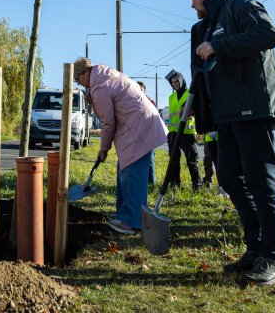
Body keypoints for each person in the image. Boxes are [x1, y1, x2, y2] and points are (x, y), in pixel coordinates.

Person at [188, 0, 275, 286]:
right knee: (230, 177)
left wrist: (219, 45)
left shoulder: (242, 7)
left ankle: (274, 258)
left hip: (255, 110)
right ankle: (256, 248)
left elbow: (268, 35)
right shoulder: (205, 26)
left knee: (262, 183)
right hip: (227, 115)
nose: (192, 5)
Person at [74, 57, 167, 235]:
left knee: (132, 174)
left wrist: (104, 149)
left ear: (85, 73)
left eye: (78, 79)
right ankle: (124, 213)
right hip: (140, 124)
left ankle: (132, 222)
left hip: (138, 127)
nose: (78, 83)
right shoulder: (104, 77)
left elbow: (108, 123)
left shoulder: (100, 87)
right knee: (124, 170)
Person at [165, 71, 202, 190]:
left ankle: (197, 187)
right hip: (174, 133)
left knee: (192, 161)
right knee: (174, 161)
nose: (175, 84)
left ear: (181, 81)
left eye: (176, 81)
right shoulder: (171, 97)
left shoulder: (190, 94)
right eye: (172, 82)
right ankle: (175, 185)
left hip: (187, 133)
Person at [137, 81, 158, 187]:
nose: (140, 90)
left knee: (150, 160)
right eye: (138, 88)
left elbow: (154, 117)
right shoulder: (132, 100)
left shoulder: (150, 101)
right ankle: (141, 183)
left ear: (144, 90)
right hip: (137, 135)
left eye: (141, 88)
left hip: (148, 134)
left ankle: (151, 183)